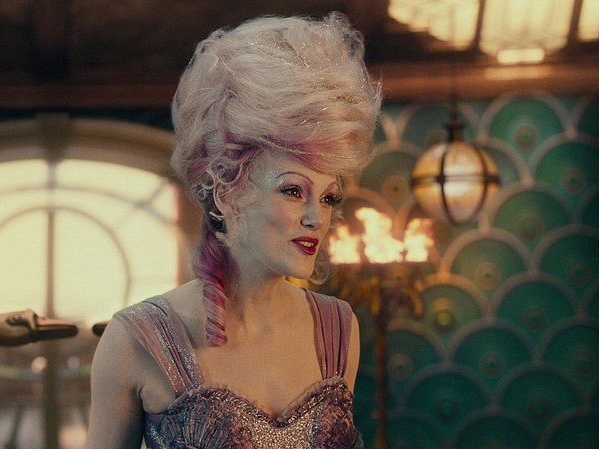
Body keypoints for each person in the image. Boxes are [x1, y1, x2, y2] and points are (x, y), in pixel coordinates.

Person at [86, 11, 382, 449]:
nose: (316, 219)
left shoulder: (338, 329)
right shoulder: (135, 340)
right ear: (227, 193)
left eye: (328, 197)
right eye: (293, 191)